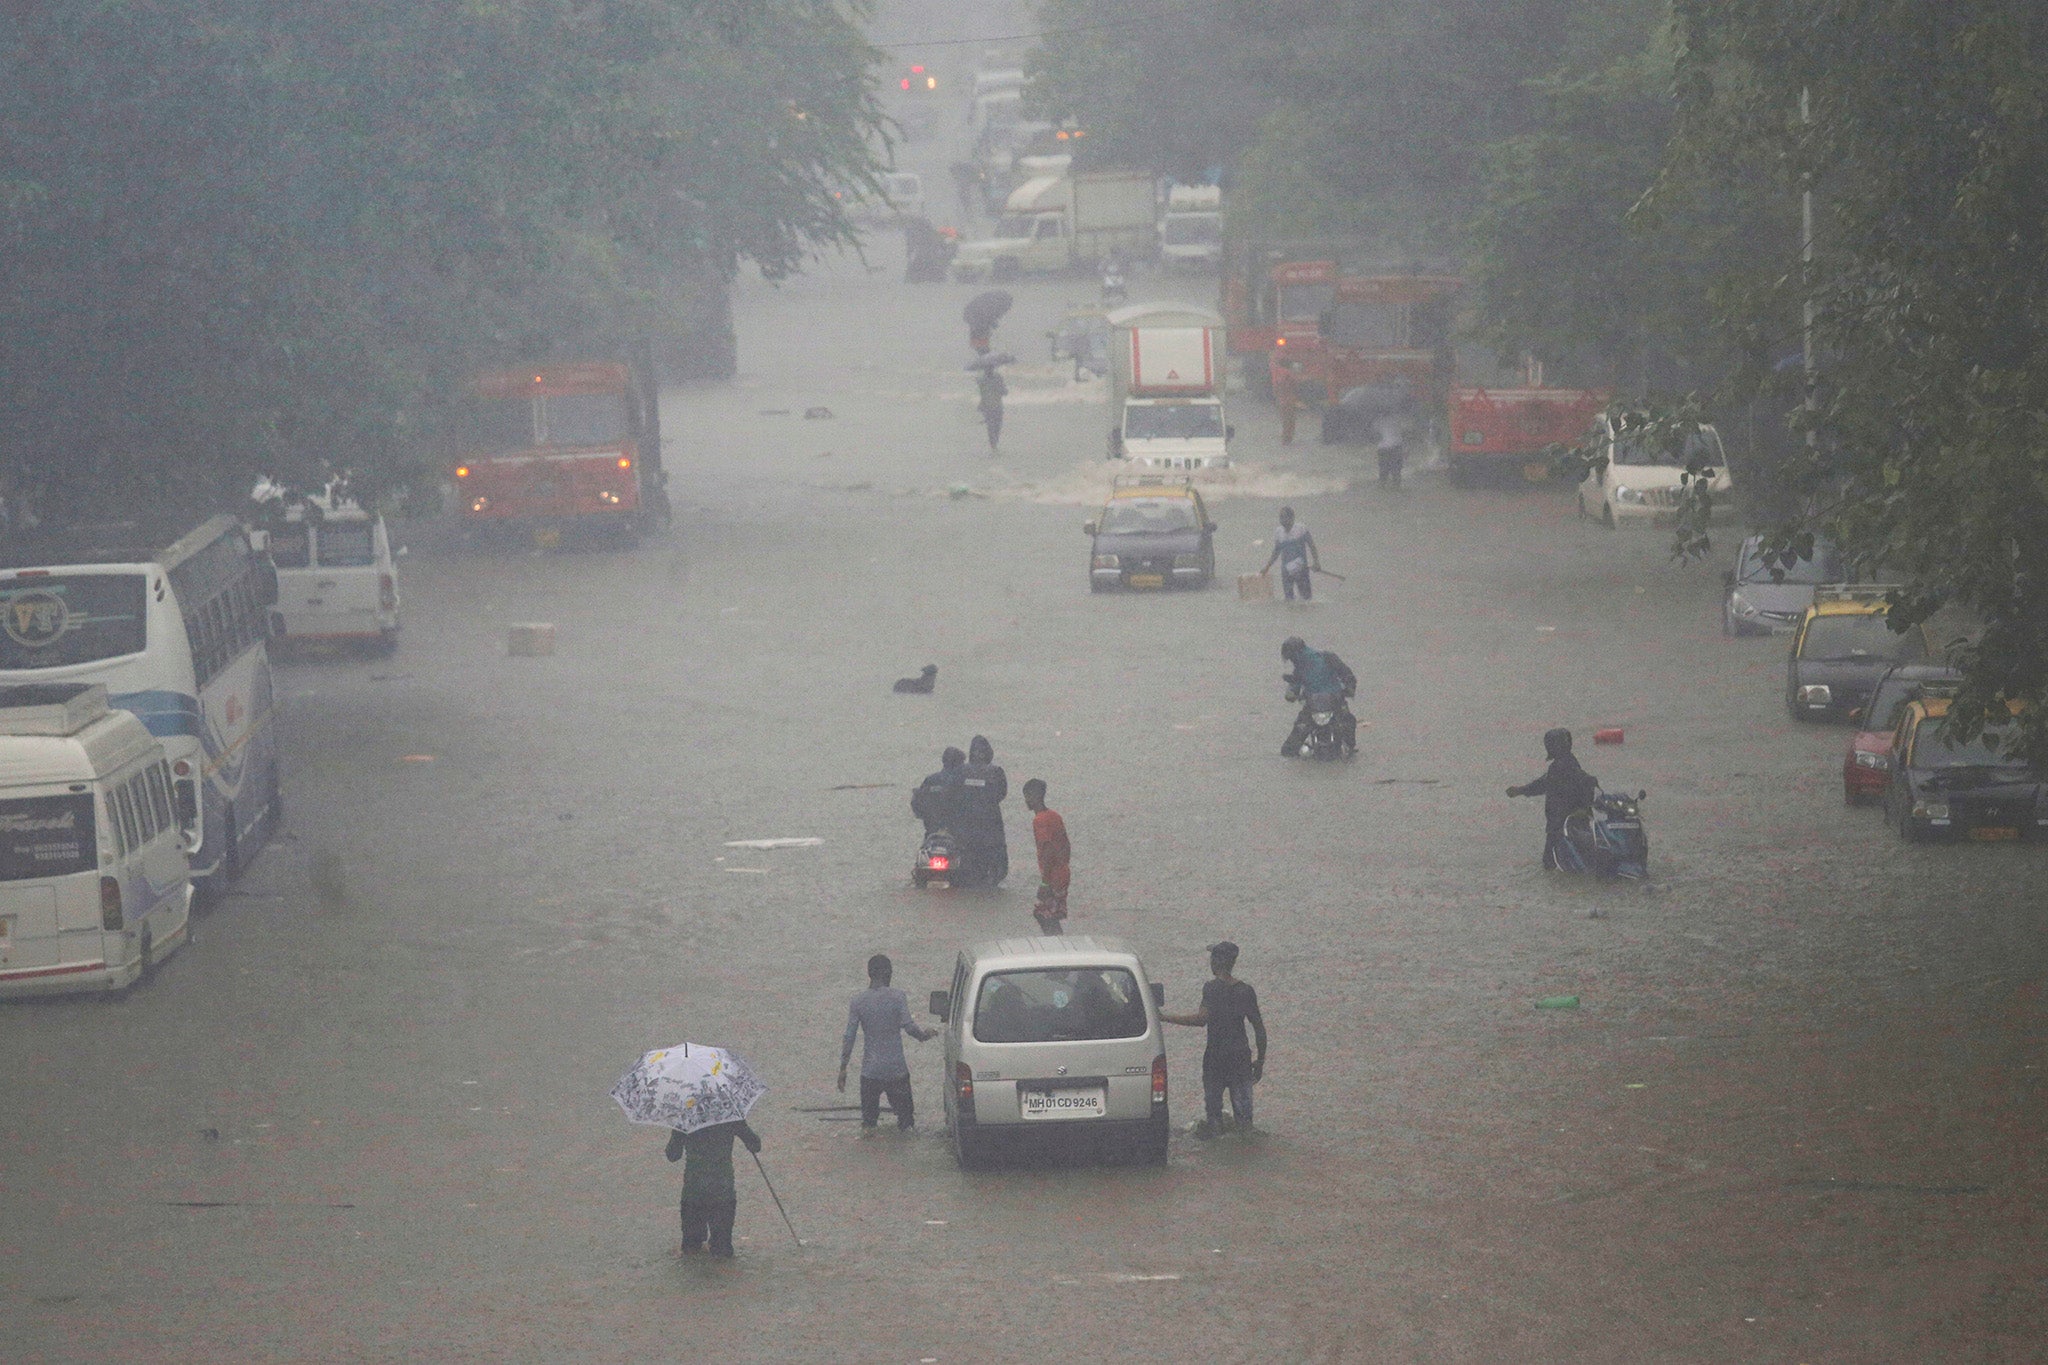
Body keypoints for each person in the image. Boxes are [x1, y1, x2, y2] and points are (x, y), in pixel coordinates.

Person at [1161, 941, 1268, 1138]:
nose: (1210, 961)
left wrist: (1165, 1017)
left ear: (1218, 962)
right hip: (1240, 1058)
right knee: (1245, 1123)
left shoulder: (1211, 988)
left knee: (1214, 1120)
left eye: (1212, 958)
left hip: (1215, 1059)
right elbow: (1259, 1029)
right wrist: (1260, 1061)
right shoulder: (1246, 991)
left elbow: (1201, 1019)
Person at [838, 954, 938, 1132]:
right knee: (907, 1124)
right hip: (896, 1071)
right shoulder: (898, 997)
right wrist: (924, 1036)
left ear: (869, 974)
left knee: (869, 1125)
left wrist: (843, 1068)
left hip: (870, 1073)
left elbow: (849, 1036)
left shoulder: (858, 1002)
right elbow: (909, 1027)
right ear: (888, 973)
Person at [666, 1117, 762, 1257]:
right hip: (723, 1191)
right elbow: (755, 1145)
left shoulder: (685, 1118)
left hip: (693, 1192)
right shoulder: (729, 1116)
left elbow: (672, 1155)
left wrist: (679, 1132)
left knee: (691, 1250)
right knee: (722, 1250)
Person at [1507, 727, 1599, 869]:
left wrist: (1520, 790)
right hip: (1572, 822)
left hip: (1560, 825)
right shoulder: (1570, 763)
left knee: (1550, 863)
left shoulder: (1560, 767)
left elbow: (1542, 785)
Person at [1279, 636, 1357, 756]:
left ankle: (1349, 748)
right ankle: (1350, 748)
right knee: (1289, 747)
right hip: (1314, 705)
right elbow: (1295, 684)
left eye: (1291, 657)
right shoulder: (1302, 666)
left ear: (1296, 653)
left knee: (1348, 723)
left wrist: (1348, 688)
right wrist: (1292, 693)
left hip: (1333, 703)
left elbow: (1347, 675)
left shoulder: (1326, 658)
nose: (1291, 660)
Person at [958, 735, 1009, 885]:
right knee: (995, 853)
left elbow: (956, 794)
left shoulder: (962, 771)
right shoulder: (996, 771)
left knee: (969, 852)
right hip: (990, 819)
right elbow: (1001, 793)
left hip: (967, 822)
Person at [1023, 778, 1069, 934]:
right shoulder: (1055, 816)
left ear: (1035, 796)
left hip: (1053, 876)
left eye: (1027, 796)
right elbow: (1066, 845)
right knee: (1051, 913)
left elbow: (1048, 850)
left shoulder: (1039, 820)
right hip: (1063, 873)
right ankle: (1057, 943)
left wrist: (1045, 883)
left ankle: (1056, 945)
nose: (1026, 801)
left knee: (1044, 914)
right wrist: (1063, 866)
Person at [1260, 506, 1319, 601]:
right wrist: (1267, 567)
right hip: (1286, 571)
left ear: (1292, 518)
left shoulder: (1301, 529)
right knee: (1289, 600)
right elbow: (1276, 552)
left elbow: (1312, 546)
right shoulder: (1279, 532)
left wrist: (1316, 562)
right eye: (1280, 517)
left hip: (1301, 569)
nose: (1282, 520)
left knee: (1307, 599)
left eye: (1284, 517)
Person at [911, 747, 966, 835]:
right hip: (958, 833)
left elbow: (917, 803)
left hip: (932, 831)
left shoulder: (930, 780)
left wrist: (927, 817)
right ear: (961, 763)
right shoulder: (963, 781)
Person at [976, 366, 1007, 451]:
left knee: (995, 425)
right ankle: (994, 445)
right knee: (992, 425)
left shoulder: (984, 379)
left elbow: (1004, 391)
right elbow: (1004, 391)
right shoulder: (984, 379)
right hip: (991, 405)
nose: (988, 370)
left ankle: (994, 444)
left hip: (993, 405)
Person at [1274, 360, 1301, 446]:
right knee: (1290, 419)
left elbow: (1276, 386)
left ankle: (1285, 438)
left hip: (1282, 399)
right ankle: (1288, 438)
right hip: (1290, 399)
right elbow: (1295, 384)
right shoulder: (1289, 373)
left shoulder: (1278, 372)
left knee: (1285, 419)